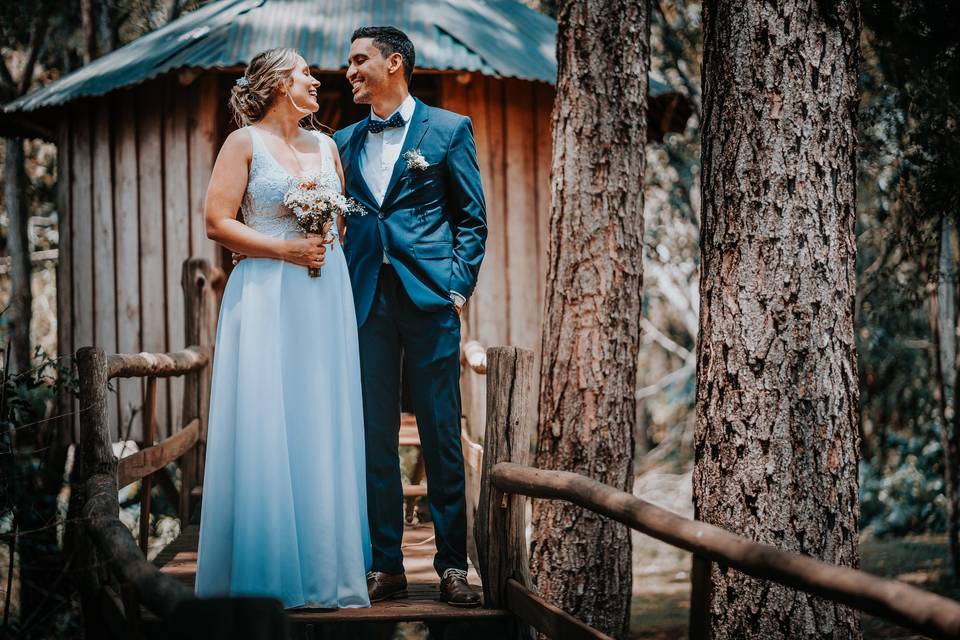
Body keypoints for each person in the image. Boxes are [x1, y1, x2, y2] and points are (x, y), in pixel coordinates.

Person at [194, 47, 370, 609]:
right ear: (276, 85)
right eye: (304, 74)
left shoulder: (327, 144)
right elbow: (216, 222)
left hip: (323, 293)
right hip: (266, 293)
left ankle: (325, 569)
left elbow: (339, 216)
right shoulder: (243, 142)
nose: (316, 81)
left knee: (321, 411)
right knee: (270, 413)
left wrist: (324, 237)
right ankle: (267, 572)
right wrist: (284, 250)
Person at [333, 26, 487, 607]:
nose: (348, 71)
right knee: (373, 438)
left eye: (358, 60)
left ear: (393, 62)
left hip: (429, 301)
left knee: (442, 435)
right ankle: (385, 566)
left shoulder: (449, 129)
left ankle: (452, 567)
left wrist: (456, 289)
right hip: (365, 300)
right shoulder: (343, 141)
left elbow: (472, 219)